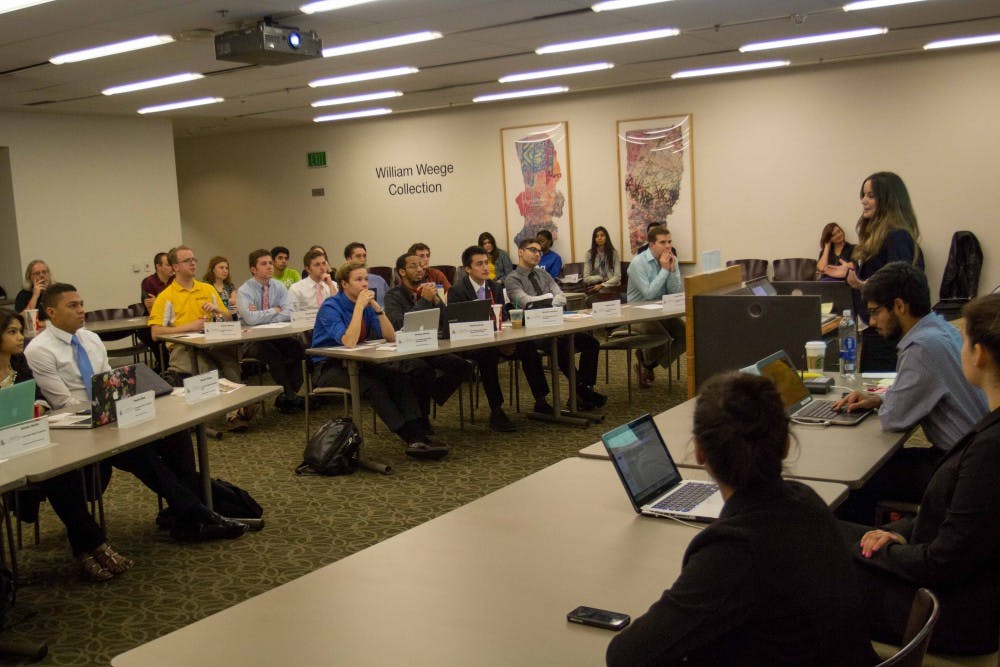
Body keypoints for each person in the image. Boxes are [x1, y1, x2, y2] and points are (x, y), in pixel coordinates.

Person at [607, 372, 875, 667]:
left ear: (699, 452)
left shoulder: (736, 548)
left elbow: (627, 655)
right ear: (785, 444)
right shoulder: (806, 501)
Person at [839, 293, 1000, 656]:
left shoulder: (990, 451)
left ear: (979, 354)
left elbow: (943, 562)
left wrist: (883, 553)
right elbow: (956, 526)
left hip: (947, 612)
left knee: (811, 563)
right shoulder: (988, 432)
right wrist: (892, 536)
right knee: (822, 529)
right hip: (952, 584)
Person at [24, 284, 247, 545]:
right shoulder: (39, 350)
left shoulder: (91, 339)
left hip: (114, 415)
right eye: (72, 306)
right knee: (140, 452)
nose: (81, 310)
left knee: (176, 433)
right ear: (51, 311)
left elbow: (111, 381)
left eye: (82, 303)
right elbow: (64, 403)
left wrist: (127, 405)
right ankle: (196, 513)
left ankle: (185, 512)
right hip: (80, 426)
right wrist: (110, 410)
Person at [834, 262, 988, 520]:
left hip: (959, 471)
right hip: (976, 459)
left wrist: (885, 404)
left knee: (858, 478)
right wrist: (878, 399)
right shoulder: (941, 328)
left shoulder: (921, 348)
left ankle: (861, 550)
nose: (871, 322)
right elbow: (918, 394)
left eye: (874, 312)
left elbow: (894, 419)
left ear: (899, 306)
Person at [1, 308, 137, 581]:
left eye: (19, 330)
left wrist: (36, 409)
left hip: (27, 439)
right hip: (5, 454)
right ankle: (94, 544)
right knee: (58, 476)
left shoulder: (19, 367)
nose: (20, 338)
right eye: (12, 332)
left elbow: (38, 400)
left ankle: (86, 550)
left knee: (63, 469)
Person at [311, 261, 447, 460]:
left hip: (359, 362)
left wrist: (377, 309)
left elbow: (391, 336)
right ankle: (410, 437)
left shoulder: (367, 306)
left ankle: (419, 433)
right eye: (358, 280)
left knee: (398, 377)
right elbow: (348, 341)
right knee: (373, 386)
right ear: (344, 284)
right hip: (328, 367)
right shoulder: (331, 306)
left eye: (365, 279)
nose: (364, 284)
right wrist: (359, 307)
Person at [448, 245, 553, 432]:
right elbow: (456, 324)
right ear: (468, 269)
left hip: (498, 338)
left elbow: (503, 317)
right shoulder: (457, 291)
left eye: (486, 263)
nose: (485, 267)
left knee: (527, 346)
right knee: (487, 354)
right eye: (479, 264)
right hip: (471, 342)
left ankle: (541, 400)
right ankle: (496, 410)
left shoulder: (495, 287)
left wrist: (507, 340)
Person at [148, 246, 249, 424]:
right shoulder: (166, 297)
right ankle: (228, 414)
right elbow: (156, 332)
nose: (193, 263)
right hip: (183, 348)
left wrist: (218, 309)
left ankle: (239, 406)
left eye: (194, 259)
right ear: (175, 267)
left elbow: (228, 316)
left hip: (210, 342)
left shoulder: (207, 289)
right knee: (206, 366)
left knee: (230, 363)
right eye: (187, 261)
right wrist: (188, 327)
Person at [504, 237, 606, 411]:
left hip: (555, 324)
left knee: (591, 342)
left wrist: (548, 300)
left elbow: (561, 295)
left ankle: (582, 391)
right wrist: (551, 299)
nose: (537, 254)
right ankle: (544, 400)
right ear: (520, 252)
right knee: (557, 345)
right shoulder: (512, 279)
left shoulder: (543, 274)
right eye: (533, 250)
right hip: (531, 329)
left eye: (539, 251)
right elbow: (526, 302)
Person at [845, 172, 924, 371]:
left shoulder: (897, 236)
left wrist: (864, 285)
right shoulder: (876, 236)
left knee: (876, 392)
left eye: (871, 196)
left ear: (888, 200)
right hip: (874, 329)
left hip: (887, 332)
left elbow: (901, 283)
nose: (864, 201)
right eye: (863, 195)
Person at [384, 251, 467, 425]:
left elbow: (448, 321)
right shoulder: (394, 295)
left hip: (430, 346)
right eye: (413, 266)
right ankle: (422, 419)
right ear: (402, 272)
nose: (419, 269)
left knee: (462, 366)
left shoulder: (428, 291)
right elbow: (399, 324)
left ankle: (431, 394)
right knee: (422, 372)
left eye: (421, 266)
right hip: (407, 350)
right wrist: (423, 301)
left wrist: (437, 301)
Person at [236, 249, 306, 413]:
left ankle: (289, 393)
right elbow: (250, 320)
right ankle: (290, 396)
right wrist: (275, 310)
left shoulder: (279, 286)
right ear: (253, 269)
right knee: (272, 353)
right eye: (264, 264)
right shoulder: (244, 290)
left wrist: (261, 313)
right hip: (252, 340)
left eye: (269, 263)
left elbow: (289, 313)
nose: (269, 267)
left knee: (298, 347)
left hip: (277, 336)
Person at [626, 225, 687, 388]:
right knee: (662, 337)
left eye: (669, 242)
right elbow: (649, 294)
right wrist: (665, 270)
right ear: (651, 245)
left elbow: (675, 292)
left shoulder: (671, 259)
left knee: (686, 335)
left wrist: (672, 270)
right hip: (637, 313)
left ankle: (647, 364)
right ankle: (647, 361)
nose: (668, 246)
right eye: (663, 242)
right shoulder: (638, 263)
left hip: (662, 312)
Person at [288, 248, 337, 313]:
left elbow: (338, 309)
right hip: (306, 322)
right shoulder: (296, 289)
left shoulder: (333, 285)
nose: (322, 268)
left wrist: (330, 286)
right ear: (308, 269)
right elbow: (292, 315)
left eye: (324, 263)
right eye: (317, 265)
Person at [343, 242, 387, 307]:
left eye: (364, 256)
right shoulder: (345, 282)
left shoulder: (379, 280)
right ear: (348, 260)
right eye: (358, 256)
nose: (363, 259)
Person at [582, 226, 620, 297]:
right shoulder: (589, 254)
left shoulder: (614, 253)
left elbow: (617, 277)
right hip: (595, 288)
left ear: (606, 237)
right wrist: (601, 278)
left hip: (612, 287)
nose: (599, 238)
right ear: (594, 239)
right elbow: (586, 278)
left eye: (602, 235)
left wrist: (602, 285)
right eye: (597, 236)